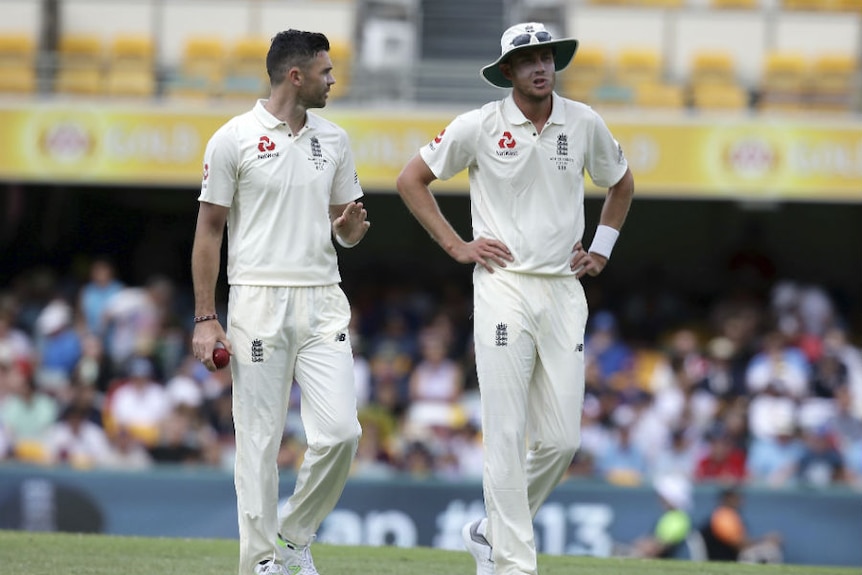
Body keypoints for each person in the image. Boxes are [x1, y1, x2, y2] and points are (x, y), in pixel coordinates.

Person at [395, 22, 634, 575]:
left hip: (563, 290)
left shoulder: (585, 121)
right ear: (508, 71)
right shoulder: (479, 125)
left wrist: (601, 249)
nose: (541, 66)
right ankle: (512, 565)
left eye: (547, 56)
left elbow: (620, 183)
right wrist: (456, 245)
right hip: (503, 285)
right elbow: (412, 179)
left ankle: (488, 531)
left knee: (561, 440)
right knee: (504, 430)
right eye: (528, 59)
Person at [190, 29, 368, 575]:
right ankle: (262, 562)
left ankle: (293, 540)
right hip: (257, 300)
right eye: (325, 71)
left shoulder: (334, 140)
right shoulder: (233, 138)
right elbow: (209, 231)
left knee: (342, 433)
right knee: (259, 443)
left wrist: (351, 230)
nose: (333, 80)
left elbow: (347, 227)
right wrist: (205, 317)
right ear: (297, 76)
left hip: (322, 299)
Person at [698, 486, 783, 563]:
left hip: (733, 557)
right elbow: (739, 545)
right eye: (736, 498)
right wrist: (765, 539)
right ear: (727, 499)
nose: (740, 501)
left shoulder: (730, 515)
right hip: (724, 559)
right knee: (769, 551)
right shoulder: (723, 516)